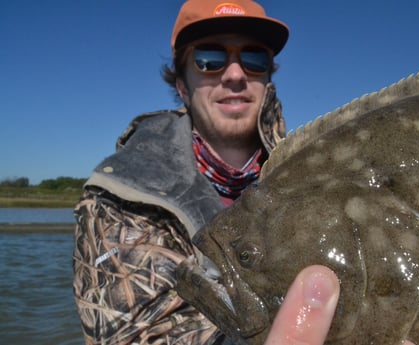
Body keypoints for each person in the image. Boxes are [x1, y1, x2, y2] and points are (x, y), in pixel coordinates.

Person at [73, 0, 338, 344]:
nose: (235, 74)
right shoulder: (117, 197)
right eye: (209, 59)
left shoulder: (317, 175)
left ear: (268, 79)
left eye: (254, 58)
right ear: (182, 85)